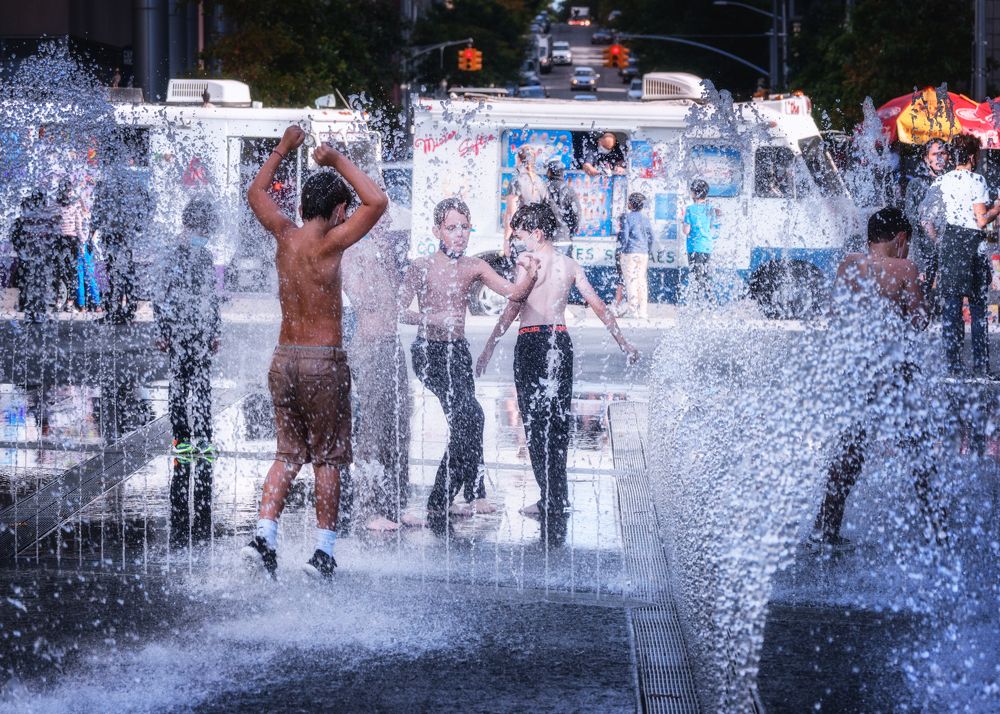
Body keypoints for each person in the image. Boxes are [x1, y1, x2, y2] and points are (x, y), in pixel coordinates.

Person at [242, 127, 389, 580]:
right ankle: (323, 552)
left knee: (288, 454)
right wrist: (335, 158)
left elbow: (256, 191)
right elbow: (378, 203)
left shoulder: (285, 236)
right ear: (340, 210)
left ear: (303, 206)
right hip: (322, 362)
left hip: (283, 359)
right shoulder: (332, 243)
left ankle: (265, 535)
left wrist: (286, 147)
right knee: (327, 457)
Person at [476, 202, 638, 542]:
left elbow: (513, 306)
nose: (517, 244)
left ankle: (549, 498)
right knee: (557, 421)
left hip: (532, 342)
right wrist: (622, 342)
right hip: (560, 343)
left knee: (534, 423)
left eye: (519, 236)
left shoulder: (527, 262)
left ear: (536, 234)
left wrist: (490, 346)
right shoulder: (569, 265)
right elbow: (597, 304)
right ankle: (556, 495)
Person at [399, 197, 539, 530]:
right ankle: (445, 498)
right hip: (429, 353)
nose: (459, 234)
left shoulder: (474, 266)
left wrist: (531, 276)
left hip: (457, 352)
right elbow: (399, 310)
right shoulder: (421, 265)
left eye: (464, 227)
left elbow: (513, 292)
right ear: (437, 231)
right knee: (470, 416)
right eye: (451, 228)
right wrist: (429, 318)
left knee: (467, 420)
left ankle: (462, 494)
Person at [813, 207, 947, 547]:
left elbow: (834, 313)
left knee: (848, 455)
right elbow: (917, 322)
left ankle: (825, 529)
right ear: (901, 239)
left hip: (858, 371)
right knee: (918, 453)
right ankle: (938, 533)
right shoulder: (904, 267)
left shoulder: (849, 265)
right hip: (894, 373)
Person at [342, 207, 417, 532]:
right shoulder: (354, 250)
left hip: (391, 344)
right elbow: (360, 297)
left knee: (400, 424)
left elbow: (396, 303)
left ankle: (397, 505)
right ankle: (369, 508)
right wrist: (379, 262)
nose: (388, 223)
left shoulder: (385, 251)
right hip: (369, 346)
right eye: (382, 218)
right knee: (373, 427)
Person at [922, 134, 1000, 375]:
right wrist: (997, 209)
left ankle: (953, 366)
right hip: (973, 246)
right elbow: (982, 221)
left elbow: (926, 220)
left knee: (951, 309)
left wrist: (941, 242)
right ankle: (980, 366)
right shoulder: (977, 180)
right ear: (970, 156)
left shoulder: (941, 181)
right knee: (977, 309)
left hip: (951, 244)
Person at [155, 197, 222, 457]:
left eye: (207, 233)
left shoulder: (205, 255)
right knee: (179, 385)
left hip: (201, 330)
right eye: (202, 231)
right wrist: (162, 331)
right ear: (187, 225)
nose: (204, 237)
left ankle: (204, 438)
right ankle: (181, 438)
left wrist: (215, 331)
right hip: (177, 331)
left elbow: (211, 296)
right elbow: (161, 294)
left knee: (203, 385)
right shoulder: (173, 255)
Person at [91, 176, 149, 324]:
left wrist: (93, 231)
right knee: (123, 274)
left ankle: (118, 311)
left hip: (117, 236)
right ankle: (124, 311)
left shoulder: (108, 189)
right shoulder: (125, 189)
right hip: (119, 237)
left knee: (118, 274)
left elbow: (96, 215)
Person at [903, 138, 948, 297]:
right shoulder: (916, 184)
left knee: (948, 297)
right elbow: (910, 216)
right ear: (926, 158)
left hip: (946, 247)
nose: (939, 158)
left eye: (943, 153)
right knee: (921, 295)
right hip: (923, 249)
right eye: (935, 154)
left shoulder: (951, 182)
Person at [9, 191, 59, 323]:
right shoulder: (46, 219)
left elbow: (15, 237)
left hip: (29, 258)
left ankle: (30, 312)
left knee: (29, 284)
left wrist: (21, 251)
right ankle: (37, 312)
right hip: (40, 258)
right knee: (40, 284)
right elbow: (55, 238)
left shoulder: (23, 220)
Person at [503, 145, 547, 254]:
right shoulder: (540, 182)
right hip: (537, 237)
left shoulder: (516, 180)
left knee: (519, 269)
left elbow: (511, 213)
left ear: (518, 159)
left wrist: (506, 240)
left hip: (520, 237)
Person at [682, 178, 720, 301]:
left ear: (694, 193)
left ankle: (698, 302)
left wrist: (683, 224)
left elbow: (686, 231)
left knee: (696, 277)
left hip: (694, 247)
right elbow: (713, 228)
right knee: (706, 275)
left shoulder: (690, 209)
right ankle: (711, 301)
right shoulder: (710, 209)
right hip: (707, 246)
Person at [618, 192, 654, 319]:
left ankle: (633, 311)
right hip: (643, 253)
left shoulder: (627, 217)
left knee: (631, 281)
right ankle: (643, 311)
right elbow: (651, 237)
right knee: (642, 281)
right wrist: (647, 250)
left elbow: (624, 236)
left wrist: (621, 249)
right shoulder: (645, 218)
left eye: (628, 201)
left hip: (630, 252)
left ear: (631, 204)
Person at [55, 179, 85, 312]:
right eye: (67, 190)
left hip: (70, 241)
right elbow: (52, 224)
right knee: (60, 271)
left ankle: (69, 302)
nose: (69, 193)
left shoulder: (74, 206)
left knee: (70, 271)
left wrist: (83, 243)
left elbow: (79, 226)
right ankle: (61, 300)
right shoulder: (56, 206)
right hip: (62, 240)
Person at [544, 160, 581, 251]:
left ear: (550, 172)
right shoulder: (569, 190)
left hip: (544, 239)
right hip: (563, 238)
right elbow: (577, 214)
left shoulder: (543, 188)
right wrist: (570, 231)